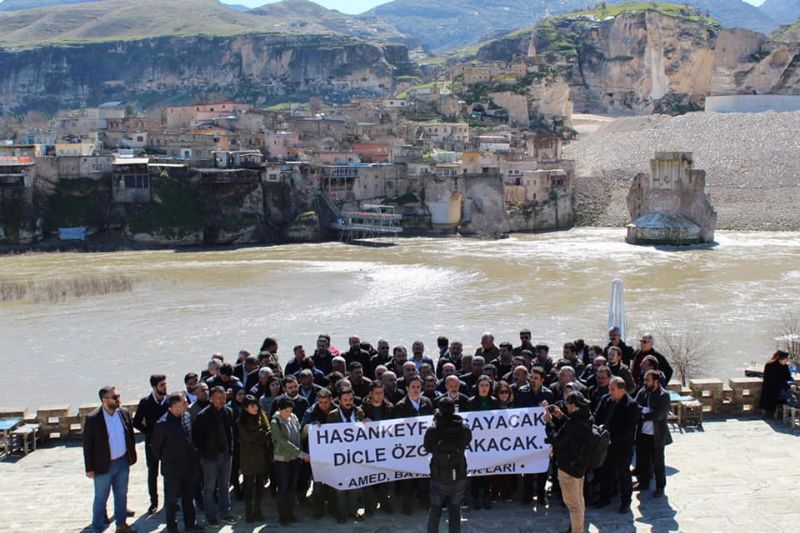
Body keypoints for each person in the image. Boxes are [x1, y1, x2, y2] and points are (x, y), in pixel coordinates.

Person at [83, 386, 137, 533]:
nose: (118, 399)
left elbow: (129, 435)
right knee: (100, 498)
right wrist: (89, 468)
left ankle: (121, 524)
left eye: (118, 395)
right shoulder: (93, 419)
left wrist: (130, 456)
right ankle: (98, 528)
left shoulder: (123, 413)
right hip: (103, 466)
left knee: (121, 495)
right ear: (105, 400)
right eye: (115, 397)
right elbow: (87, 445)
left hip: (122, 461)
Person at [151, 392, 204, 532]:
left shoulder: (186, 416)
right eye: (184, 403)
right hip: (172, 469)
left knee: (189, 498)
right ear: (174, 406)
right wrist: (169, 459)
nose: (187, 405)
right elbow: (155, 448)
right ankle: (172, 527)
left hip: (189, 466)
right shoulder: (162, 424)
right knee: (172, 500)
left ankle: (190, 524)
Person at [423, 397, 472, 533]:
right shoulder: (463, 428)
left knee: (435, 510)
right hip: (459, 473)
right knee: (455, 510)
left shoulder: (433, 430)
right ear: (454, 409)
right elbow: (468, 440)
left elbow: (427, 447)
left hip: (438, 474)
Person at [593, 377, 641, 513]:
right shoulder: (606, 399)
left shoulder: (631, 405)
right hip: (604, 444)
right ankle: (605, 498)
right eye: (609, 388)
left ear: (622, 390)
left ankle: (625, 501)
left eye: (612, 389)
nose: (610, 391)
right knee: (605, 472)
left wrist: (610, 438)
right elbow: (597, 416)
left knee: (623, 475)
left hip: (621, 446)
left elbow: (628, 430)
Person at [548, 391, 593, 533]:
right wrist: (563, 417)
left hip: (568, 467)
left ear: (573, 405)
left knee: (573, 505)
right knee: (579, 501)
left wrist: (548, 423)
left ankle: (577, 531)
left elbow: (557, 441)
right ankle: (577, 528)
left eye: (567, 404)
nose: (565, 407)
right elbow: (574, 428)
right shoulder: (587, 416)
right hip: (579, 465)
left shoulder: (573, 423)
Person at [192, 386, 237, 527]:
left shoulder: (228, 412)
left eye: (223, 398)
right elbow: (196, 439)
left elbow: (231, 432)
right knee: (209, 488)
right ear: (211, 399)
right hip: (209, 458)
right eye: (218, 398)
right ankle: (211, 516)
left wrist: (230, 450)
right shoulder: (202, 416)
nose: (221, 401)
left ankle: (225, 512)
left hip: (225, 454)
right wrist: (205, 453)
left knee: (224, 486)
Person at [394, 376, 435, 514]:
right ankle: (407, 507)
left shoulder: (427, 402)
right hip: (407, 449)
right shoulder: (400, 406)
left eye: (418, 387)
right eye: (413, 387)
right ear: (407, 388)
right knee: (407, 480)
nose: (416, 390)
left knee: (424, 477)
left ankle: (424, 503)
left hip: (424, 448)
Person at [515, 367, 554, 507]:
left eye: (536, 378)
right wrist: (535, 408)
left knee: (543, 467)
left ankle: (541, 495)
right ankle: (528, 494)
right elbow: (520, 411)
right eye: (531, 377)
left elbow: (551, 416)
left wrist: (545, 409)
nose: (532, 380)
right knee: (529, 466)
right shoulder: (522, 391)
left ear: (542, 380)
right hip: (528, 434)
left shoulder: (548, 394)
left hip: (543, 434)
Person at [327, 388, 365, 523]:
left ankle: (352, 511)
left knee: (355, 485)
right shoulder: (333, 415)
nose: (348, 402)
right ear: (339, 400)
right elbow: (328, 436)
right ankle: (341, 512)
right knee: (341, 486)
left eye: (350, 399)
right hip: (340, 456)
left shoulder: (359, 411)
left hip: (356, 455)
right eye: (345, 400)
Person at [133, 374, 169, 515]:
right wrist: (149, 432)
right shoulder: (146, 402)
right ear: (154, 387)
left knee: (169, 473)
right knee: (152, 473)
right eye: (161, 385)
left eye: (165, 384)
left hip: (168, 443)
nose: (165, 387)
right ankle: (153, 502)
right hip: (152, 444)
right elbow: (136, 422)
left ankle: (170, 501)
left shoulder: (170, 401)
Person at [271, 396, 310, 526]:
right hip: (282, 460)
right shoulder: (275, 422)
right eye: (286, 410)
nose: (289, 413)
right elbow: (283, 442)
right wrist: (300, 453)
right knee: (283, 488)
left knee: (292, 487)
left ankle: (289, 512)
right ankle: (282, 515)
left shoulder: (293, 418)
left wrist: (306, 431)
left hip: (294, 459)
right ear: (280, 410)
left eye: (290, 410)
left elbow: (299, 434)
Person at [634, 370, 673, 498]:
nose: (645, 382)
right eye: (644, 380)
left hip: (657, 436)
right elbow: (635, 407)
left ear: (656, 382)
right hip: (643, 433)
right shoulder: (643, 392)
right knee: (643, 461)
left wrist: (643, 413)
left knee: (658, 463)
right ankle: (643, 482)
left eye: (648, 380)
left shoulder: (663, 395)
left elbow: (658, 415)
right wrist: (646, 411)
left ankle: (660, 487)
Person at [362, 381, 395, 515]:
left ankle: (384, 504)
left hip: (384, 449)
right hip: (367, 450)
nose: (380, 395)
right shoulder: (362, 409)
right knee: (368, 480)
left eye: (382, 392)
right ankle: (369, 507)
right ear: (370, 394)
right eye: (376, 393)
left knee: (384, 478)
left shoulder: (390, 408)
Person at [238, 395, 272, 523]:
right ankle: (249, 512)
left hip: (262, 456)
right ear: (246, 408)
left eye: (256, 405)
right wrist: (262, 434)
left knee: (260, 486)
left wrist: (261, 435)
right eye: (252, 406)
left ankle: (258, 511)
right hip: (248, 457)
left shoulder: (262, 417)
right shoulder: (241, 421)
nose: (255, 408)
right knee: (248, 486)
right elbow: (248, 438)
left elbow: (268, 431)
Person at [465, 375, 497, 510]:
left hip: (490, 442)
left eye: (486, 385)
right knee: (476, 470)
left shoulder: (494, 401)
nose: (484, 388)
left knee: (488, 471)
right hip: (475, 442)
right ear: (477, 387)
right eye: (481, 385)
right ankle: (475, 496)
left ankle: (486, 496)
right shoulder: (470, 402)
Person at [758, 350, 794, 417]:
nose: (787, 360)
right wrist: (788, 386)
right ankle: (790, 411)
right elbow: (774, 381)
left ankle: (791, 409)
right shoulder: (770, 366)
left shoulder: (785, 366)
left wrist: (791, 384)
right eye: (786, 359)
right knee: (789, 393)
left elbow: (788, 377)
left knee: (793, 392)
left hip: (782, 387)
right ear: (781, 359)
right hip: (772, 389)